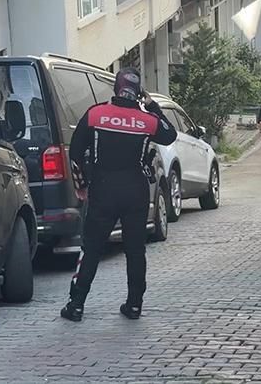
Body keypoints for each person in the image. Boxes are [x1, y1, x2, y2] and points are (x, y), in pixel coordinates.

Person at [60, 68, 177, 322]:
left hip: (103, 188)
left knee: (91, 248)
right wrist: (153, 106)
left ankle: (76, 305)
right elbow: (170, 134)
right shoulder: (147, 120)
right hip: (135, 190)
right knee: (135, 251)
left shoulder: (95, 114)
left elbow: (76, 152)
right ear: (138, 92)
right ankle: (134, 305)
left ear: (116, 88)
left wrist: (81, 184)